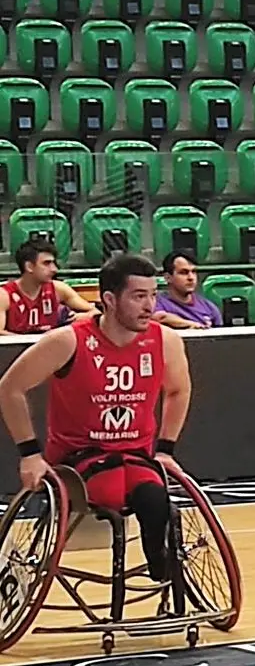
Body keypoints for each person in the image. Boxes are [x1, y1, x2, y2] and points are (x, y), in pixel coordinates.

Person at [0, 253, 191, 586]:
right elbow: (9, 388)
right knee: (115, 489)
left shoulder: (165, 341)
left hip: (135, 455)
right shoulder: (68, 340)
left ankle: (161, 566)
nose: (149, 306)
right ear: (109, 300)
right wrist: (29, 454)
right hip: (77, 459)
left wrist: (165, 449)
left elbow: (178, 391)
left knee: (154, 497)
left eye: (152, 295)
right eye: (138, 296)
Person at [0, 240, 95, 335]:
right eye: (47, 263)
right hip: (18, 344)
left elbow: (95, 312)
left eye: (54, 263)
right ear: (29, 266)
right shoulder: (4, 295)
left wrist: (85, 317)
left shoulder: (59, 288)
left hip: (54, 343)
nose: (54, 269)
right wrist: (33, 341)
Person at [153, 252, 223, 329]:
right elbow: (160, 317)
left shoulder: (209, 308)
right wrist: (191, 324)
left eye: (193, 272)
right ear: (168, 277)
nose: (191, 277)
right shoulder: (156, 302)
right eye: (183, 273)